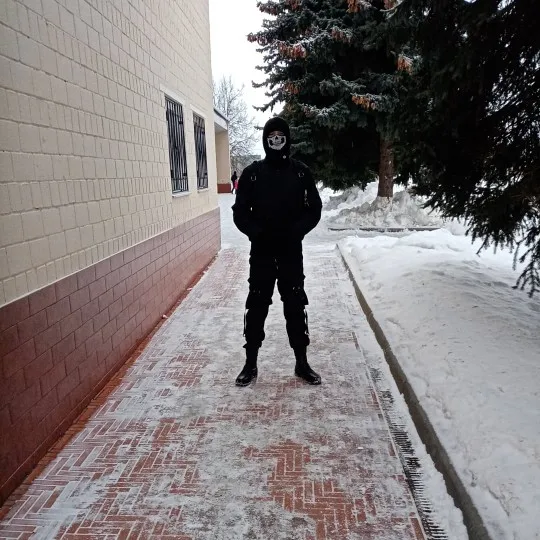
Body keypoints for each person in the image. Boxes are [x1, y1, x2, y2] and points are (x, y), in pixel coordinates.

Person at [232, 117, 323, 387]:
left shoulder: (301, 172)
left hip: (290, 252)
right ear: (265, 140)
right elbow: (239, 212)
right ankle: (250, 362)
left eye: (280, 135)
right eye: (271, 136)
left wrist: (297, 231)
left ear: (287, 138)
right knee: (257, 305)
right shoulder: (252, 173)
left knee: (295, 304)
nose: (276, 140)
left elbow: (314, 209)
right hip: (261, 252)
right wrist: (256, 233)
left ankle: (301, 362)